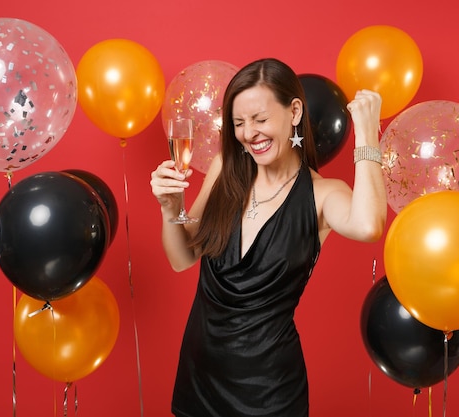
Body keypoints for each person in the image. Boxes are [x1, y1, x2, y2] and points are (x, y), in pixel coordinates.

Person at [150, 58, 387, 417]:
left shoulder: (322, 194)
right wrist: (170, 209)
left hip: (268, 391)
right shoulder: (223, 169)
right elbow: (182, 258)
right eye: (239, 123)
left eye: (260, 119)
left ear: (294, 112)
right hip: (199, 379)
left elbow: (369, 225)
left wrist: (368, 134)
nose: (249, 133)